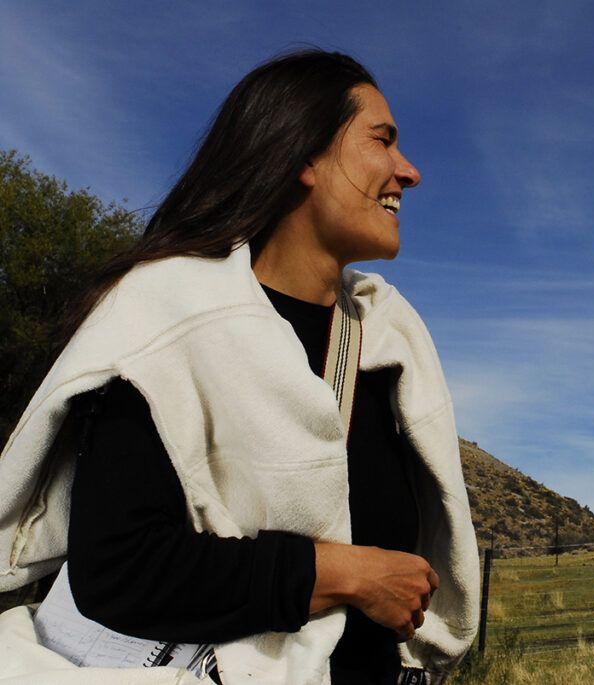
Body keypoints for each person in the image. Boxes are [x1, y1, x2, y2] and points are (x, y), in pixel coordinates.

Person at [0, 49, 480, 684]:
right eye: (383, 140)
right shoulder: (164, 320)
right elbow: (118, 570)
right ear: (306, 155)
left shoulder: (386, 346)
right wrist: (342, 574)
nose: (408, 171)